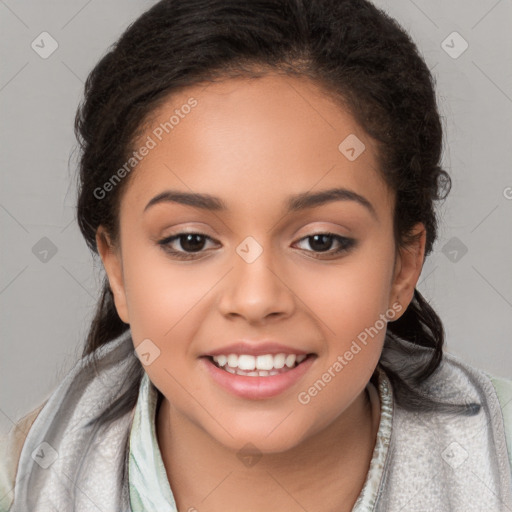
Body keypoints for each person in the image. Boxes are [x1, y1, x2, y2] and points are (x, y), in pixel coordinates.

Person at [1, 0, 511, 510]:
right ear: (118, 269)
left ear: (403, 268)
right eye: (191, 241)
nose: (255, 299)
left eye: (320, 241)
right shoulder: (24, 481)